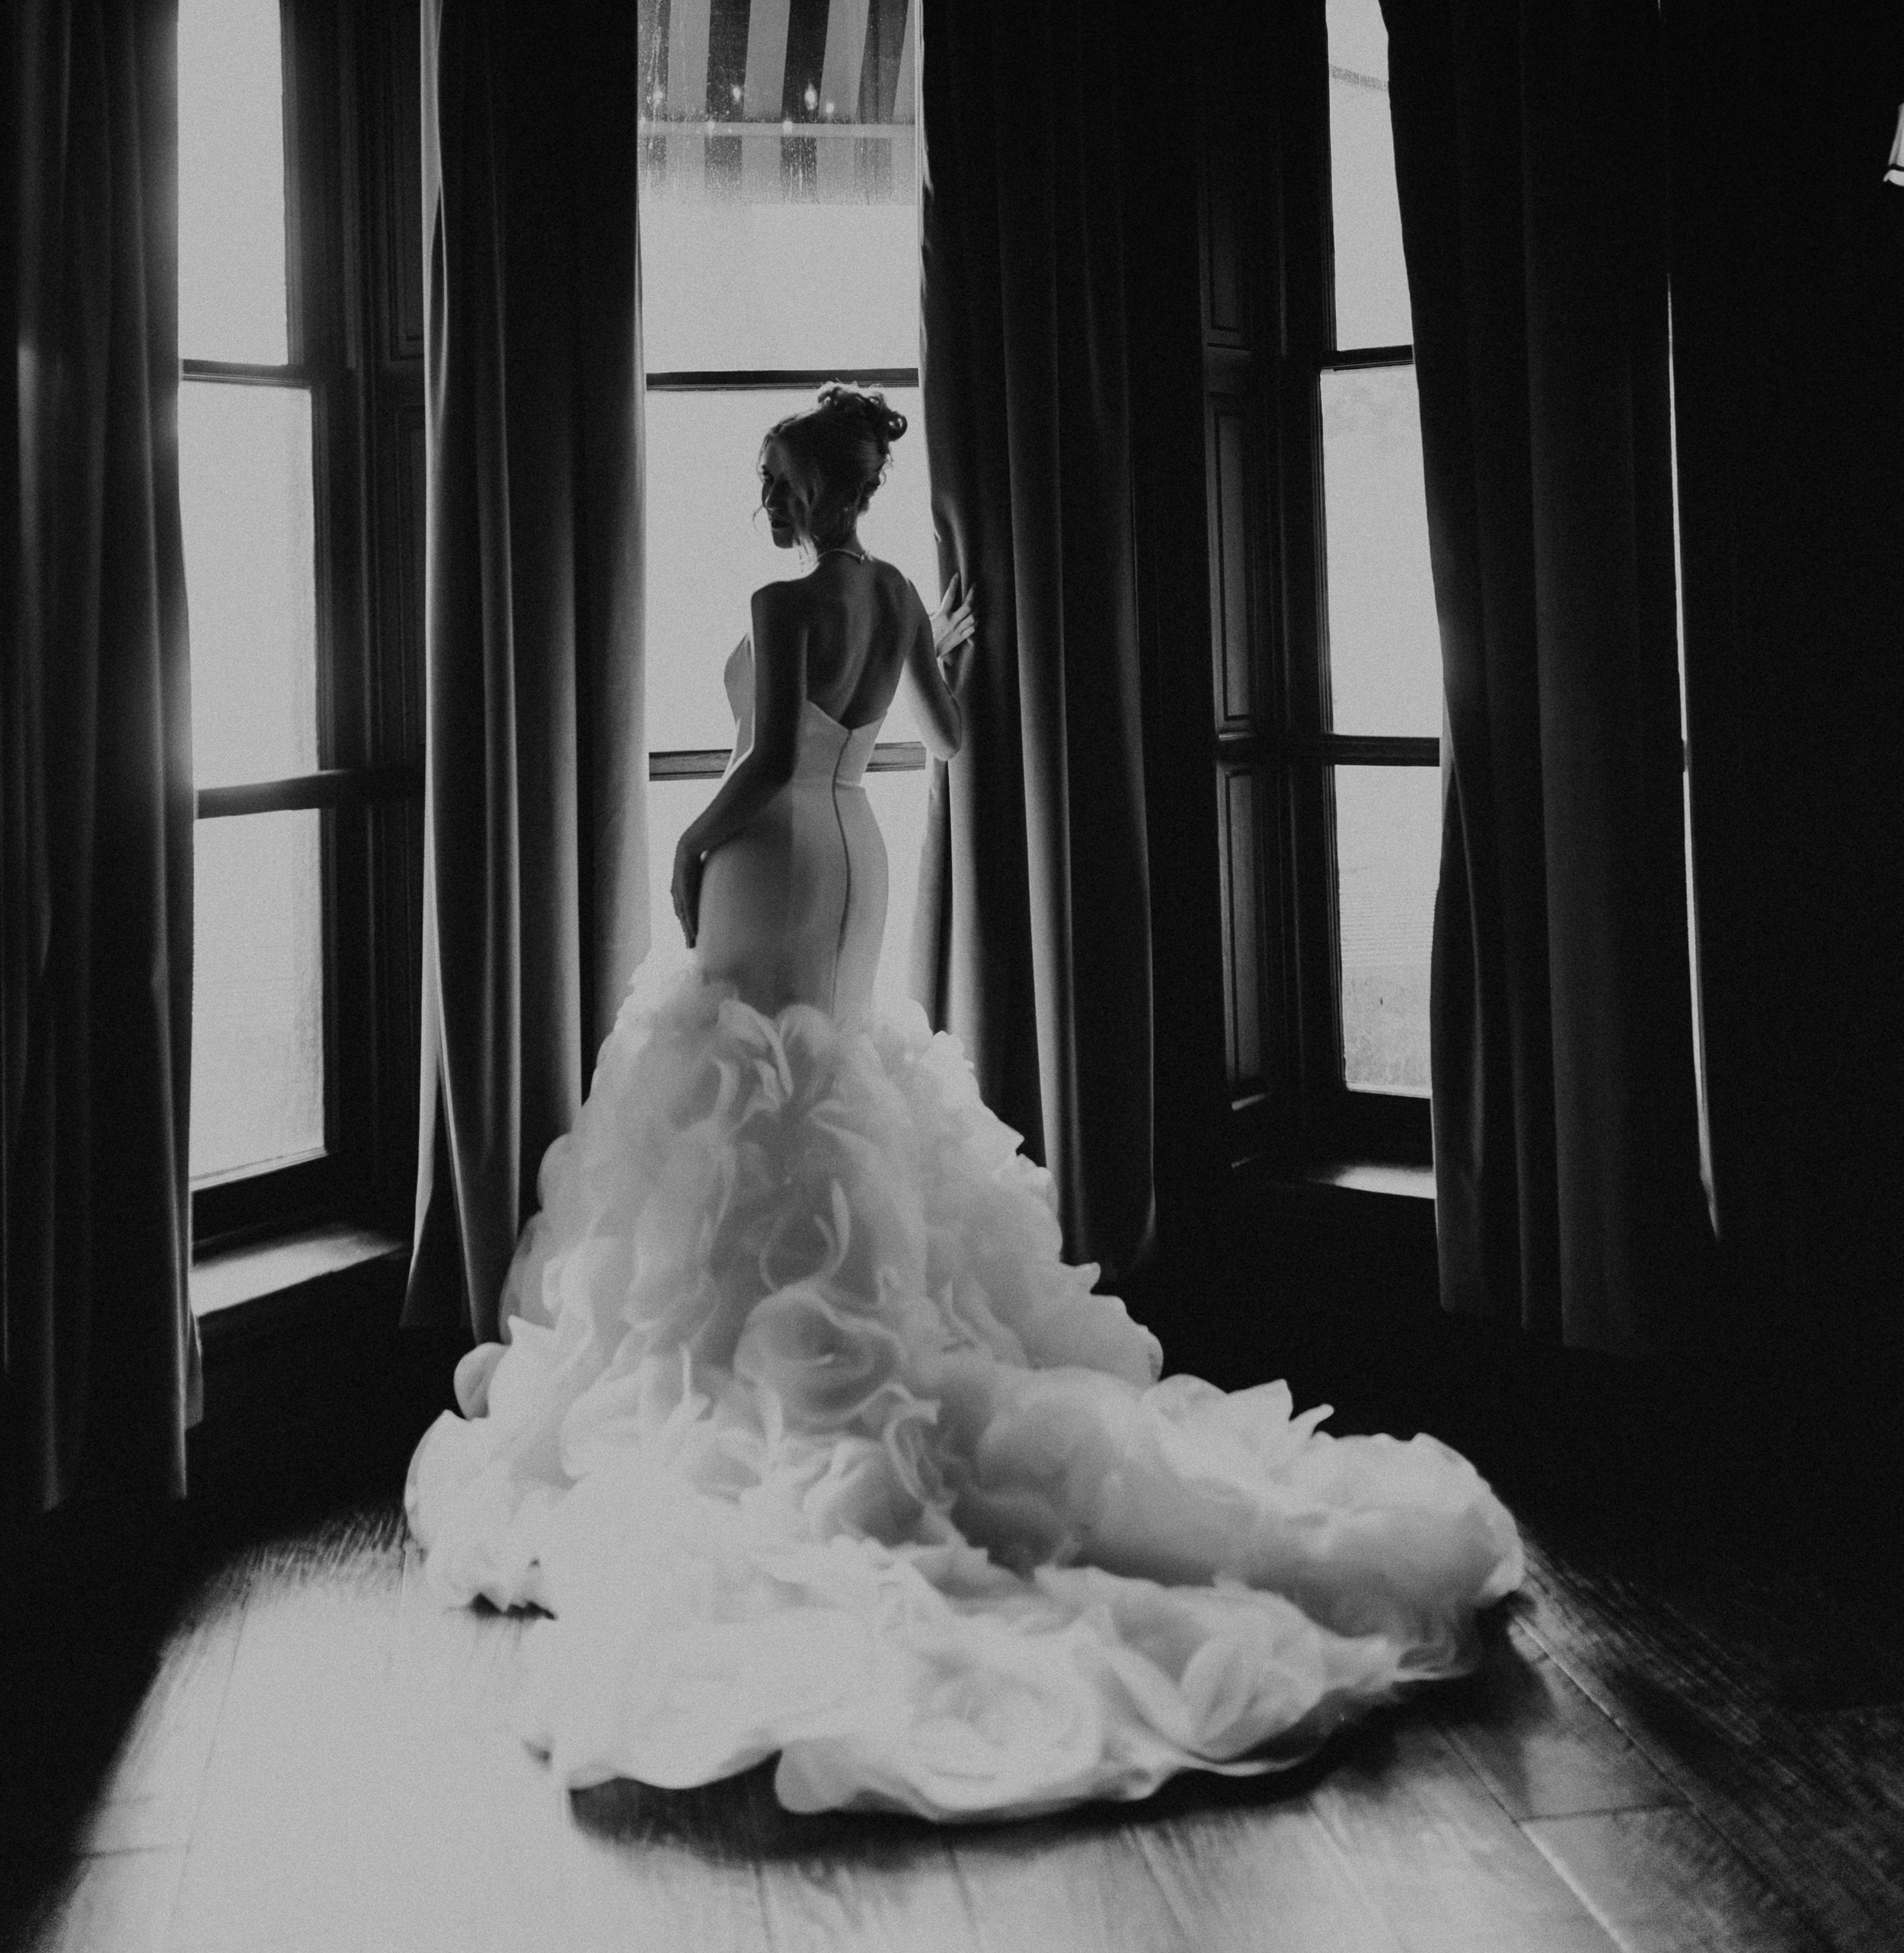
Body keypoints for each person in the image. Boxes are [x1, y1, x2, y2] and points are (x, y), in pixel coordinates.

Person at [406, 384, 1522, 1821]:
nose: (782, 505)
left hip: (772, 842)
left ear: (810, 489)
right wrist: (939, 649)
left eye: (785, 483)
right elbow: (943, 739)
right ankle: (848, 1318)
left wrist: (688, 845)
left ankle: (763, 1354)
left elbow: (756, 762)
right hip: (855, 843)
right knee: (828, 1072)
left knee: (748, 1081)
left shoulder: (788, 592)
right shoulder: (890, 603)